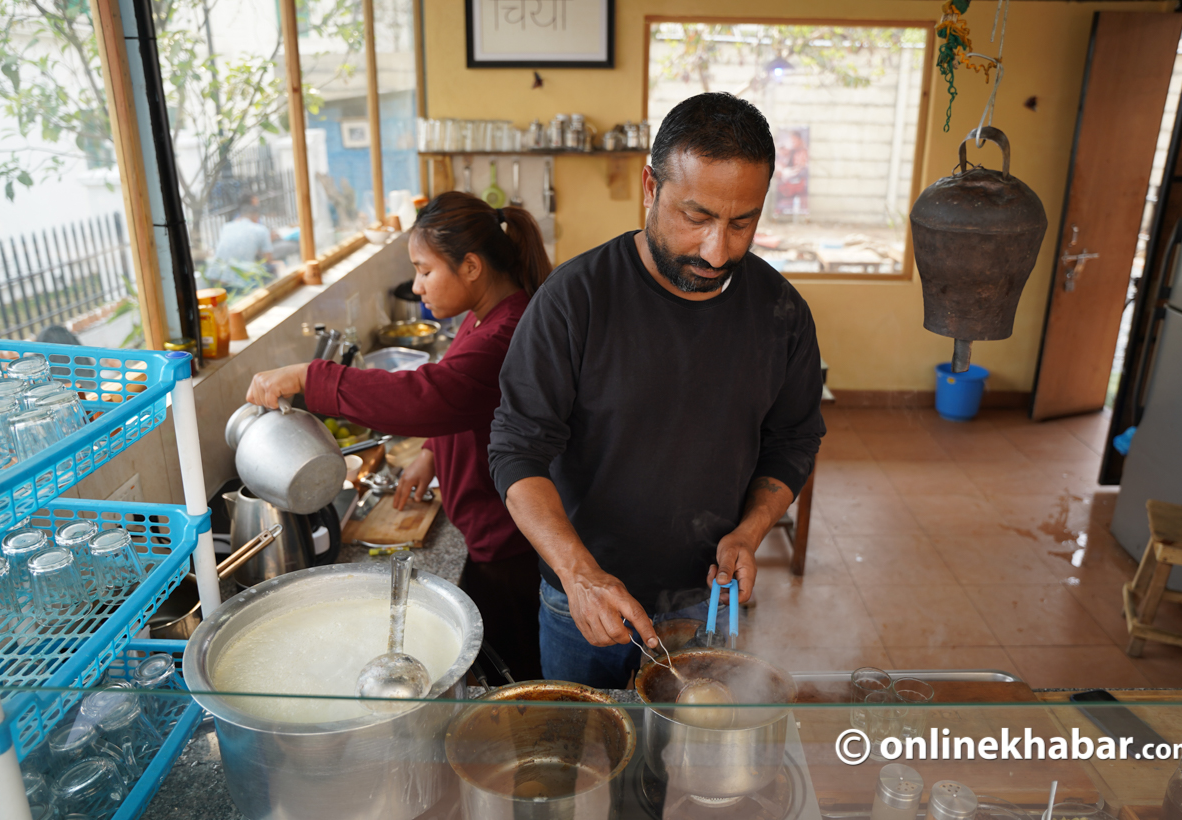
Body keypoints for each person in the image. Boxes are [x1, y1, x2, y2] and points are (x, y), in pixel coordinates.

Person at [488, 92, 825, 688]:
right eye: (695, 217)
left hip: (705, 601)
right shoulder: (575, 302)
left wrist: (751, 530)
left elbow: (793, 440)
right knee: (582, 759)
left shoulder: (782, 314)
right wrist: (579, 573)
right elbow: (517, 450)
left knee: (683, 764)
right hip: (582, 598)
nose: (718, 250)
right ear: (649, 187)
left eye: (741, 222)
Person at [245, 191, 551, 681]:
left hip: (510, 541)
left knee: (515, 678)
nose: (417, 285)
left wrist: (312, 377)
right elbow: (469, 402)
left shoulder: (505, 333)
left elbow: (432, 395)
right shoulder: (485, 317)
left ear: (470, 266)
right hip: (494, 527)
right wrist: (432, 454)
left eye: (425, 271)